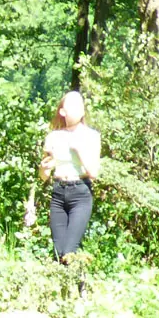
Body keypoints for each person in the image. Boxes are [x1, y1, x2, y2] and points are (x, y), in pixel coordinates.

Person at [38, 89, 101, 262]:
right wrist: (43, 169)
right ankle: (72, 288)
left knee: (69, 251)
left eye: (79, 105)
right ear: (63, 111)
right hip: (58, 194)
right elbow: (43, 176)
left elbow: (94, 172)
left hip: (80, 193)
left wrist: (79, 150)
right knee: (59, 252)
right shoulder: (53, 136)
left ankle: (80, 287)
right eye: (72, 106)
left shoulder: (91, 136)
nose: (77, 109)